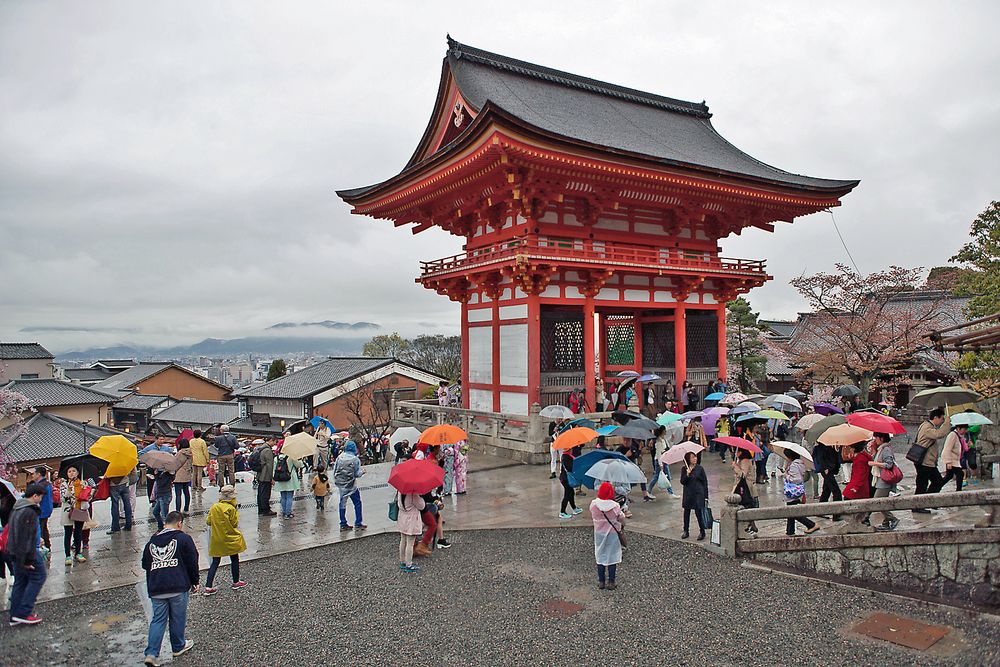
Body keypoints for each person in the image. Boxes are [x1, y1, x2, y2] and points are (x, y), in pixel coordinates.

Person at [141, 511, 198, 665]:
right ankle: (178, 645)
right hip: (178, 584)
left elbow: (145, 564)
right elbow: (192, 561)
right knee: (177, 617)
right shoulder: (184, 539)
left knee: (158, 620)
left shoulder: (151, 543)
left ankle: (151, 653)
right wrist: (195, 581)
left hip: (157, 587)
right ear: (180, 523)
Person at [7, 483, 47, 626]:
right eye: (40, 497)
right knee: (39, 576)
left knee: (21, 581)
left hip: (12, 550)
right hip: (25, 551)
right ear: (35, 496)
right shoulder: (29, 511)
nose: (41, 500)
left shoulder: (17, 507)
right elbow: (27, 537)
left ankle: (15, 615)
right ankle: (24, 612)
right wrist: (28, 559)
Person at [203, 486, 247, 595]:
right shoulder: (231, 509)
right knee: (234, 559)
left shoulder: (214, 507)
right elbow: (234, 524)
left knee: (215, 562)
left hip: (217, 538)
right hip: (230, 538)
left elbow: (208, 521)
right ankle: (236, 581)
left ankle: (208, 586)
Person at [912, 408, 951, 510]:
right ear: (935, 418)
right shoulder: (927, 428)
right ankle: (920, 505)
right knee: (925, 484)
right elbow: (939, 434)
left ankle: (926, 502)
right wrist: (947, 424)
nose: (942, 421)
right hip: (925, 462)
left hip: (926, 462)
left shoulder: (926, 425)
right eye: (941, 418)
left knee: (932, 482)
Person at [590, 482, 625, 590]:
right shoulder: (615, 506)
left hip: (599, 534)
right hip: (612, 535)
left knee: (600, 555)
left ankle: (601, 581)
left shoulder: (594, 504)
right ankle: (611, 581)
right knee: (612, 557)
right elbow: (621, 518)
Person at [868, 432, 900, 531]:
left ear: (881, 438)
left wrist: (875, 463)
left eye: (876, 438)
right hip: (880, 479)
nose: (875, 440)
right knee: (883, 501)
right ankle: (885, 522)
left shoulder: (886, 449)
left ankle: (892, 518)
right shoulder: (881, 449)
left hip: (884, 480)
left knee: (878, 501)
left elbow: (889, 464)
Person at [783, 451, 819, 536]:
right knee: (791, 510)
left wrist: (786, 475)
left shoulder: (794, 466)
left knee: (793, 512)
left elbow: (796, 479)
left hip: (793, 491)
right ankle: (790, 531)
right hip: (797, 491)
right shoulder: (799, 464)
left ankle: (811, 524)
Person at [333, 441, 367, 531]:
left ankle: (343, 523)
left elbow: (334, 470)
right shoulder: (355, 459)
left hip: (341, 485)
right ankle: (358, 522)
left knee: (342, 504)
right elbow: (357, 474)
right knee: (357, 503)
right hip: (351, 485)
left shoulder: (339, 457)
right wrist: (363, 471)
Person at [59, 466, 88, 564]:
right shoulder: (64, 484)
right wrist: (69, 489)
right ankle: (67, 555)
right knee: (68, 533)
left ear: (78, 473)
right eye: (69, 471)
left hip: (79, 509)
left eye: (74, 471)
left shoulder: (82, 483)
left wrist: (85, 489)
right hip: (68, 510)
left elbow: (88, 497)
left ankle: (78, 553)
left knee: (78, 532)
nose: (72, 473)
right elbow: (62, 499)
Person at [680, 452, 708, 540]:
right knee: (686, 512)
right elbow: (682, 481)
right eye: (692, 457)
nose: (695, 459)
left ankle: (702, 531)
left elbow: (705, 483)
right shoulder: (684, 469)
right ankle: (686, 530)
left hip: (698, 493)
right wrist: (687, 474)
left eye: (695, 457)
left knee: (698, 513)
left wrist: (706, 496)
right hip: (688, 493)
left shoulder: (700, 468)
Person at [396, 490, 425, 573]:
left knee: (403, 540)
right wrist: (421, 497)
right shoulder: (413, 494)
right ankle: (409, 564)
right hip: (411, 520)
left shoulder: (400, 491)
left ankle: (402, 561)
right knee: (410, 543)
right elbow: (421, 506)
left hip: (402, 518)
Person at [813, 439, 842, 520]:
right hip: (827, 470)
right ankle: (836, 515)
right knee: (836, 492)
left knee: (826, 490)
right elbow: (821, 458)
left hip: (830, 469)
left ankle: (820, 511)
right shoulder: (821, 447)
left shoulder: (830, 445)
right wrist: (826, 468)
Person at [732, 449, 758, 534]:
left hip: (746, 488)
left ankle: (750, 525)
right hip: (742, 487)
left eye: (738, 452)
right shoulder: (741, 461)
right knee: (746, 506)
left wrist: (735, 467)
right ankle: (751, 525)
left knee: (746, 505)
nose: (736, 453)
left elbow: (743, 475)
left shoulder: (745, 461)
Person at [29, 468, 53, 555]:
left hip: (42, 510)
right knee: (44, 529)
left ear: (38, 474)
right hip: (47, 509)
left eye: (34, 473)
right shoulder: (47, 483)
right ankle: (48, 546)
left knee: (41, 530)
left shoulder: (41, 485)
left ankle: (43, 549)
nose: (32, 475)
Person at [272, 449, 300, 519]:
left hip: (280, 479)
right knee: (289, 497)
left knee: (283, 497)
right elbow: (299, 465)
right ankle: (288, 513)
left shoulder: (276, 458)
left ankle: (284, 512)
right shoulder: (291, 457)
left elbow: (274, 469)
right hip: (289, 479)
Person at [941, 424, 970, 492]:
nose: (965, 431)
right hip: (952, 460)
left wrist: (968, 445)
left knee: (949, 476)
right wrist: (948, 462)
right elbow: (947, 448)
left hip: (956, 460)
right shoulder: (952, 435)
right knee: (960, 474)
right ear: (958, 428)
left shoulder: (959, 436)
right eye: (964, 429)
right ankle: (958, 490)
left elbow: (963, 448)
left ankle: (937, 486)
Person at [106, 466, 133, 535]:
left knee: (115, 505)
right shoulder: (125, 460)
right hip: (125, 483)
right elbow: (132, 471)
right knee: (127, 504)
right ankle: (128, 525)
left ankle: (115, 528)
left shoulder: (110, 461)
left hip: (113, 485)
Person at [558, 445, 583, 519]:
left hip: (565, 478)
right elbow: (570, 468)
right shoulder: (566, 457)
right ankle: (562, 512)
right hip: (566, 479)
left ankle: (575, 508)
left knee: (571, 493)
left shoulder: (566, 456)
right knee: (567, 494)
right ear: (569, 450)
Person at [253, 437, 276, 516]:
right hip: (265, 475)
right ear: (271, 440)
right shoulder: (267, 450)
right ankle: (266, 510)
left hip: (260, 474)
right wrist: (271, 478)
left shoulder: (261, 448)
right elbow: (270, 465)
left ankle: (261, 509)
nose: (274, 444)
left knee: (260, 493)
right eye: (274, 442)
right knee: (265, 493)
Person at [213, 425, 238, 489]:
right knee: (231, 470)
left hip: (221, 455)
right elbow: (237, 446)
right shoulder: (233, 437)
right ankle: (232, 484)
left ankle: (221, 485)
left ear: (222, 430)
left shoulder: (218, 438)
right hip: (230, 455)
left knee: (221, 471)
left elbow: (216, 446)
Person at [172, 438, 193, 513]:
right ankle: (186, 508)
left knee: (178, 494)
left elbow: (175, 463)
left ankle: (178, 510)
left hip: (178, 475)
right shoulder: (190, 452)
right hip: (187, 474)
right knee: (186, 492)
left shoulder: (179, 453)